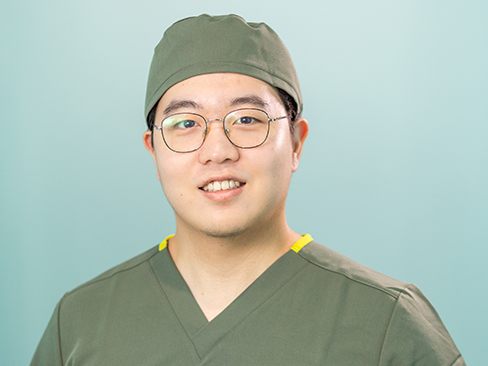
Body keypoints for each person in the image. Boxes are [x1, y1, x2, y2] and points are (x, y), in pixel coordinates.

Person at [31, 14, 466, 365]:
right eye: (185, 124)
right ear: (153, 150)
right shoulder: (82, 320)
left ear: (296, 142)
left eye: (246, 120)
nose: (217, 151)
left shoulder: (386, 321)